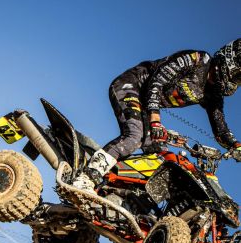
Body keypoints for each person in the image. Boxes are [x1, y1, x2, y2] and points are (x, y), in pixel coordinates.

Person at [74, 39, 241, 192]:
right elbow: (157, 81)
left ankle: (113, 191)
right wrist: (155, 119)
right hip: (131, 86)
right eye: (238, 75)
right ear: (230, 61)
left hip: (147, 105)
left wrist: (236, 146)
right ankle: (87, 177)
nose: (237, 81)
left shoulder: (213, 94)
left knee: (161, 158)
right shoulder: (198, 59)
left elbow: (220, 128)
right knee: (135, 136)